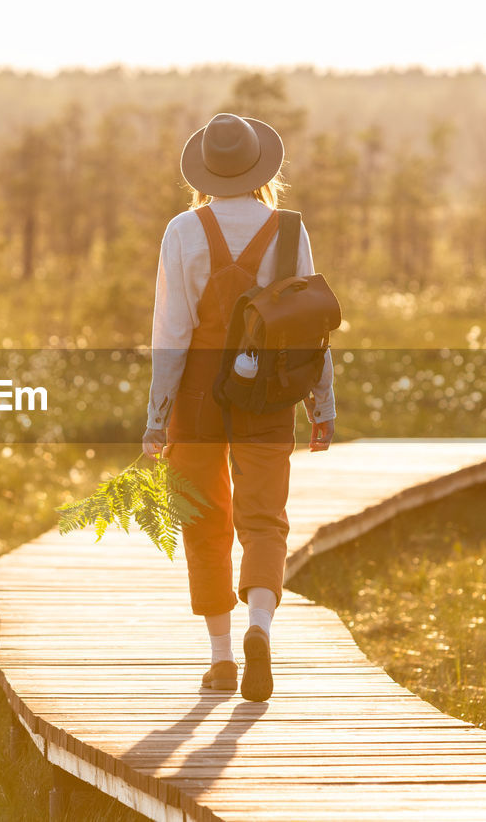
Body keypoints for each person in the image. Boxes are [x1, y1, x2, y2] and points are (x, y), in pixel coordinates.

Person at [141, 112, 336, 702]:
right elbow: (309, 327)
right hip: (268, 389)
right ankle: (261, 628)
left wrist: (156, 419)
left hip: (198, 391)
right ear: (260, 168)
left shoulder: (182, 230)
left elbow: (171, 333)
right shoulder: (289, 230)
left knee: (205, 520)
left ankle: (222, 660)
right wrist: (321, 405)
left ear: (205, 169)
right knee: (264, 518)